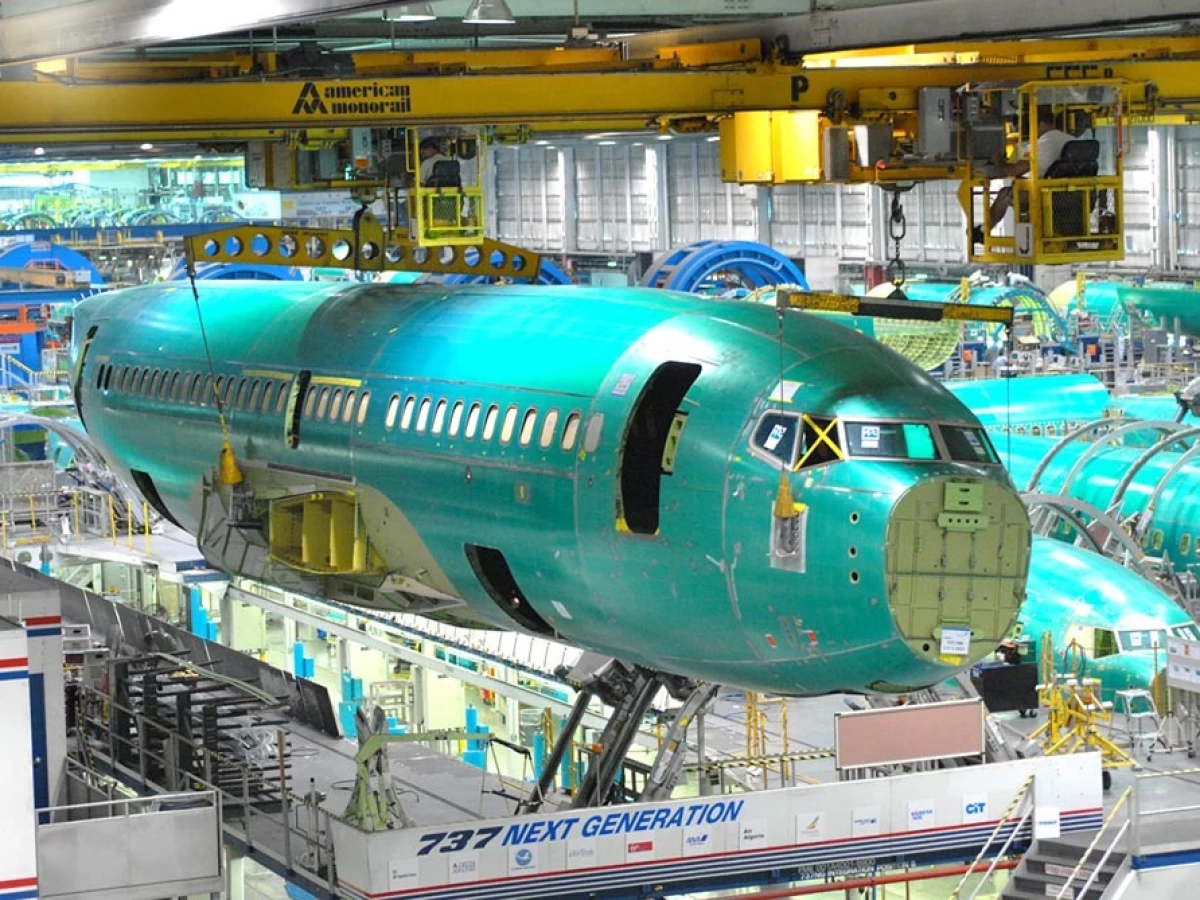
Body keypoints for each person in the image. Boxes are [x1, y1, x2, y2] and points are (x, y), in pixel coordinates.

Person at [974, 106, 1073, 245]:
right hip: (1072, 196)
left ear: (1040, 124)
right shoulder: (1069, 139)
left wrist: (999, 161)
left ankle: (983, 232)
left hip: (1045, 197)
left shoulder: (1041, 144)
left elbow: (1014, 171)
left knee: (1005, 193)